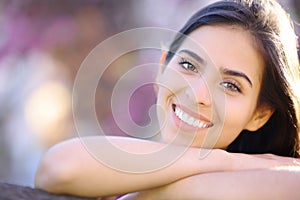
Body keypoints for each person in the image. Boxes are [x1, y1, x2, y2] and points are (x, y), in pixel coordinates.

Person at [35, 0, 300, 199]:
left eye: (230, 85)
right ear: (163, 66)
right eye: (188, 65)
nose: (197, 95)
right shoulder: (243, 168)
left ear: (260, 115)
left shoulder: (275, 183)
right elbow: (57, 167)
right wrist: (232, 162)